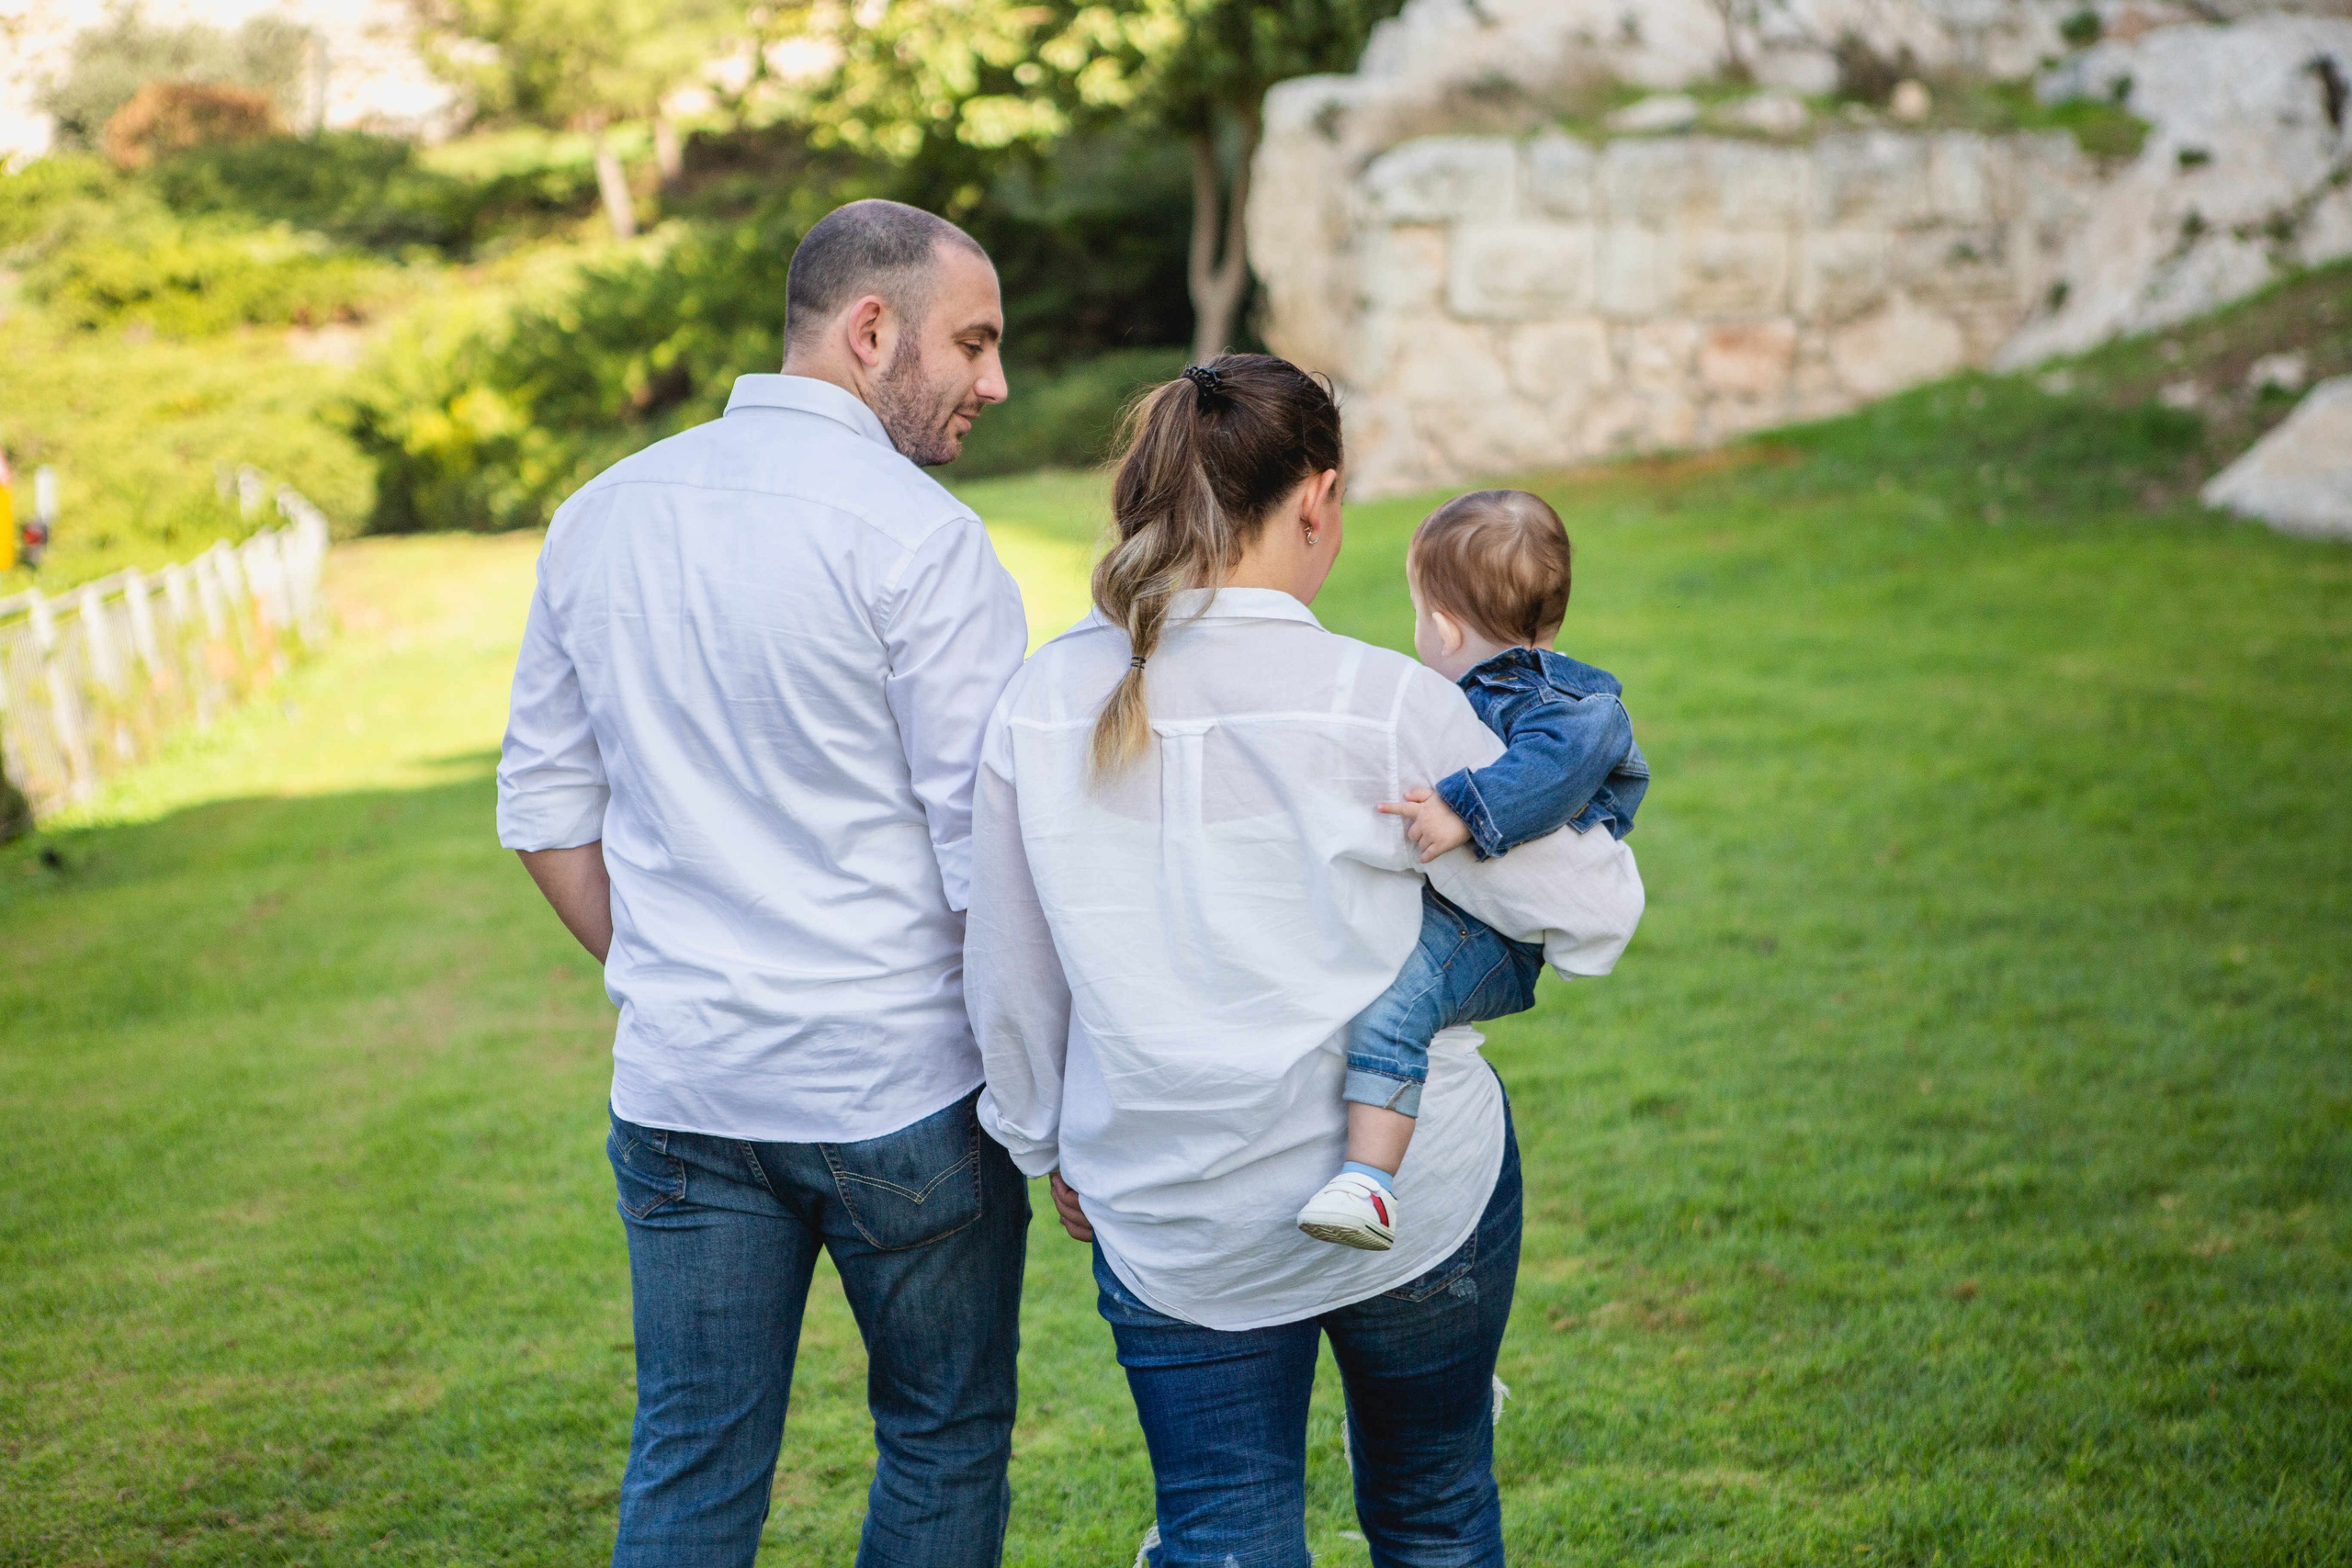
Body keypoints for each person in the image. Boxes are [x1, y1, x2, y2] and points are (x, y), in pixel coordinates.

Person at [965, 355, 1645, 1566]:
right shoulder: (1383, 701)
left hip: (1173, 1206)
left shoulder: (1038, 699)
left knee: (1224, 1538)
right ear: (1318, 499)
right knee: (1435, 1513)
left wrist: (1042, 1142)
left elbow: (1010, 977)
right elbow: (1593, 909)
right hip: (1414, 1191)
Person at [497, 199, 1032, 1568]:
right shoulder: (921, 538)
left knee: (691, 1454)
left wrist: (669, 972)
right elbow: (992, 859)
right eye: (972, 343)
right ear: (872, 330)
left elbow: (546, 814)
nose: (996, 382)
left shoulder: (599, 514)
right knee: (943, 1433)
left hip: (683, 1084)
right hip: (902, 1091)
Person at [1296, 488, 1651, 1251]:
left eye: (1420, 610)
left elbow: (1557, 766)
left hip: (1492, 933)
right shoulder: (1472, 694)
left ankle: (1369, 1182)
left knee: (1395, 1006)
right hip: (1467, 906)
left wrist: (1464, 807)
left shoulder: (1567, 703)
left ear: (1445, 626)